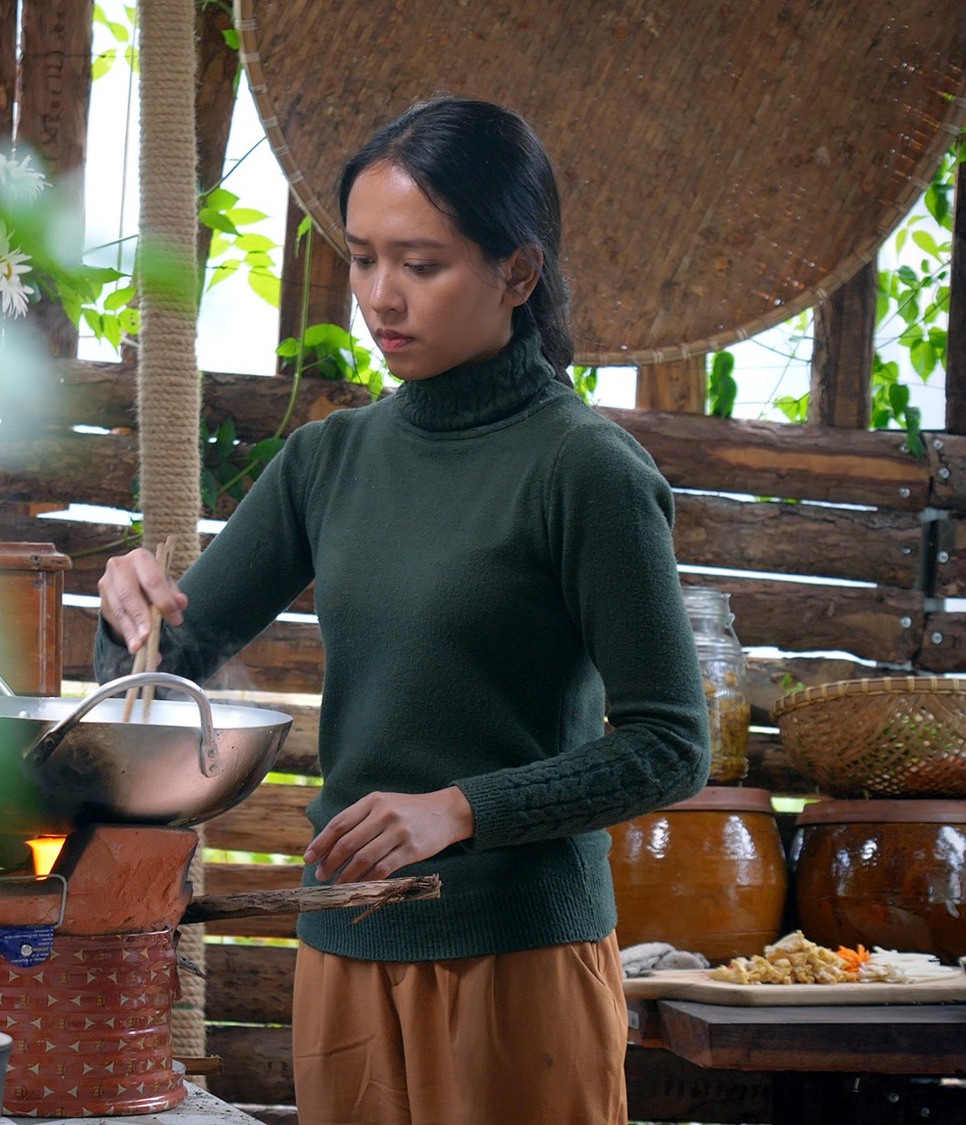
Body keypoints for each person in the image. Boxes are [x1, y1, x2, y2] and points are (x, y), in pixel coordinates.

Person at [95, 97, 709, 1125]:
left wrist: (458, 809)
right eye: (362, 258)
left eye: (420, 265)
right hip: (342, 954)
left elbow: (667, 745)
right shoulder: (325, 461)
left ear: (516, 273)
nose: (381, 297)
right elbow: (163, 675)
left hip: (517, 961)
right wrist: (126, 615)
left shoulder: (583, 470)